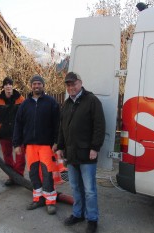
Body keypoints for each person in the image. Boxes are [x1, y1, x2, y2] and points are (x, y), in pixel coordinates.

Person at [56, 71, 105, 233]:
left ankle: (92, 219)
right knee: (76, 187)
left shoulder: (92, 101)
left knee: (90, 190)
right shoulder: (66, 104)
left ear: (80, 83)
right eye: (68, 85)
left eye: (74, 84)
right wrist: (61, 147)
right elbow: (62, 128)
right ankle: (78, 214)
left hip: (87, 154)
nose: (71, 87)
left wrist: (95, 148)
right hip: (71, 154)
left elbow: (99, 126)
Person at [13, 75, 60, 215]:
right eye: (34, 84)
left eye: (39, 83)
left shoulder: (51, 102)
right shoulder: (24, 105)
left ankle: (50, 201)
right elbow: (18, 125)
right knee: (33, 173)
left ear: (43, 85)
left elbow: (58, 124)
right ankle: (38, 199)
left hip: (46, 145)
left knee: (47, 173)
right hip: (30, 146)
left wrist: (57, 142)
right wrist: (16, 144)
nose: (37, 86)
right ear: (31, 86)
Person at [0, 77, 25, 186]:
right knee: (7, 156)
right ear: (3, 86)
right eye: (6, 84)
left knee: (20, 156)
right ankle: (11, 176)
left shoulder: (20, 99)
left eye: (10, 84)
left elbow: (26, 116)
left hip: (18, 134)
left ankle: (19, 176)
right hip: (4, 133)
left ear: (13, 86)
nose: (8, 86)